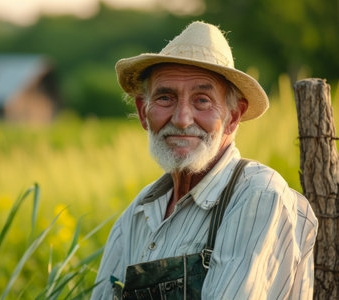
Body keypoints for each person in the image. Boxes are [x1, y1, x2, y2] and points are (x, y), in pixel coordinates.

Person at [90, 21, 318, 299]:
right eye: (165, 98)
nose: (182, 120)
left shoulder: (258, 196)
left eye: (202, 100)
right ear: (143, 112)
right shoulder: (138, 213)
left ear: (233, 116)